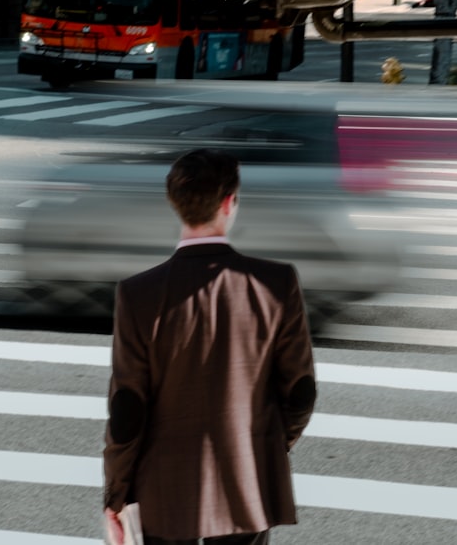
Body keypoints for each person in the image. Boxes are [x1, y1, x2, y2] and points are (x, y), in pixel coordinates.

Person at [103, 148, 317, 545]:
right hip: (246, 480)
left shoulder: (137, 294)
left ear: (176, 205)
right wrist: (267, 445)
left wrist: (116, 493)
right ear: (228, 203)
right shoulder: (276, 284)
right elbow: (301, 392)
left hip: (161, 488)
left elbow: (127, 410)